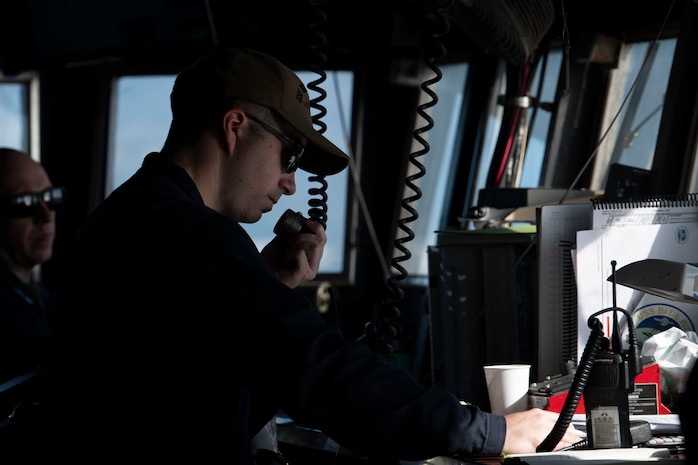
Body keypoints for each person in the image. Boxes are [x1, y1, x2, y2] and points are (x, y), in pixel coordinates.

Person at [46, 47, 581, 463]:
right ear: (235, 128)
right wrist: (492, 431)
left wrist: (268, 286)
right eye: (289, 152)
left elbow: (198, 388)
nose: (289, 181)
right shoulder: (192, 234)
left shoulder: (132, 213)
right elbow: (319, 372)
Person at [0, 148, 63, 384]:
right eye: (25, 203)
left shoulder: (36, 293)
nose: (46, 215)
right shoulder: (8, 312)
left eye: (51, 198)